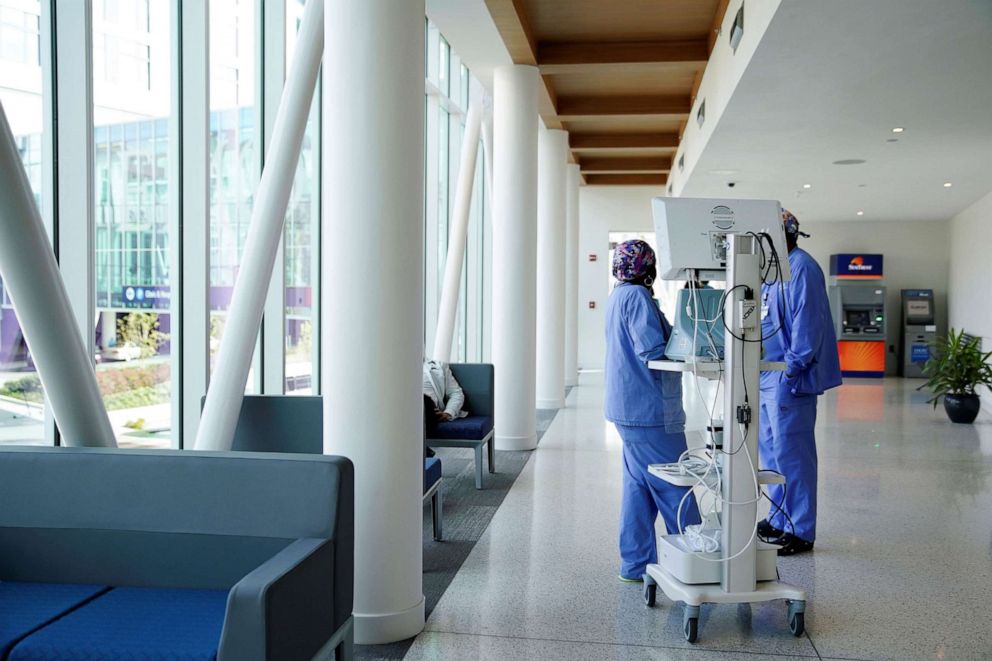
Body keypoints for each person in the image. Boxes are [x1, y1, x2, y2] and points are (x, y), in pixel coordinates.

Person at [604, 239, 702, 582]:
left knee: (639, 487)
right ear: (648, 268)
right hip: (648, 412)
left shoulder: (618, 295)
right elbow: (652, 352)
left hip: (628, 408)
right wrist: (689, 356)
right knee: (678, 485)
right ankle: (699, 559)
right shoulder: (637, 298)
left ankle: (635, 563)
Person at [758, 210, 842, 555]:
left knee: (794, 454)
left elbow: (808, 323)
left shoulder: (802, 267)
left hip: (788, 375)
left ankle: (801, 528)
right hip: (764, 373)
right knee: (771, 453)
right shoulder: (771, 273)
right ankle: (779, 517)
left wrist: (792, 370)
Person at [423, 358, 467, 437]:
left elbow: (456, 393)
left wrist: (448, 413)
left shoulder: (440, 365)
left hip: (429, 410)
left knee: (425, 401)